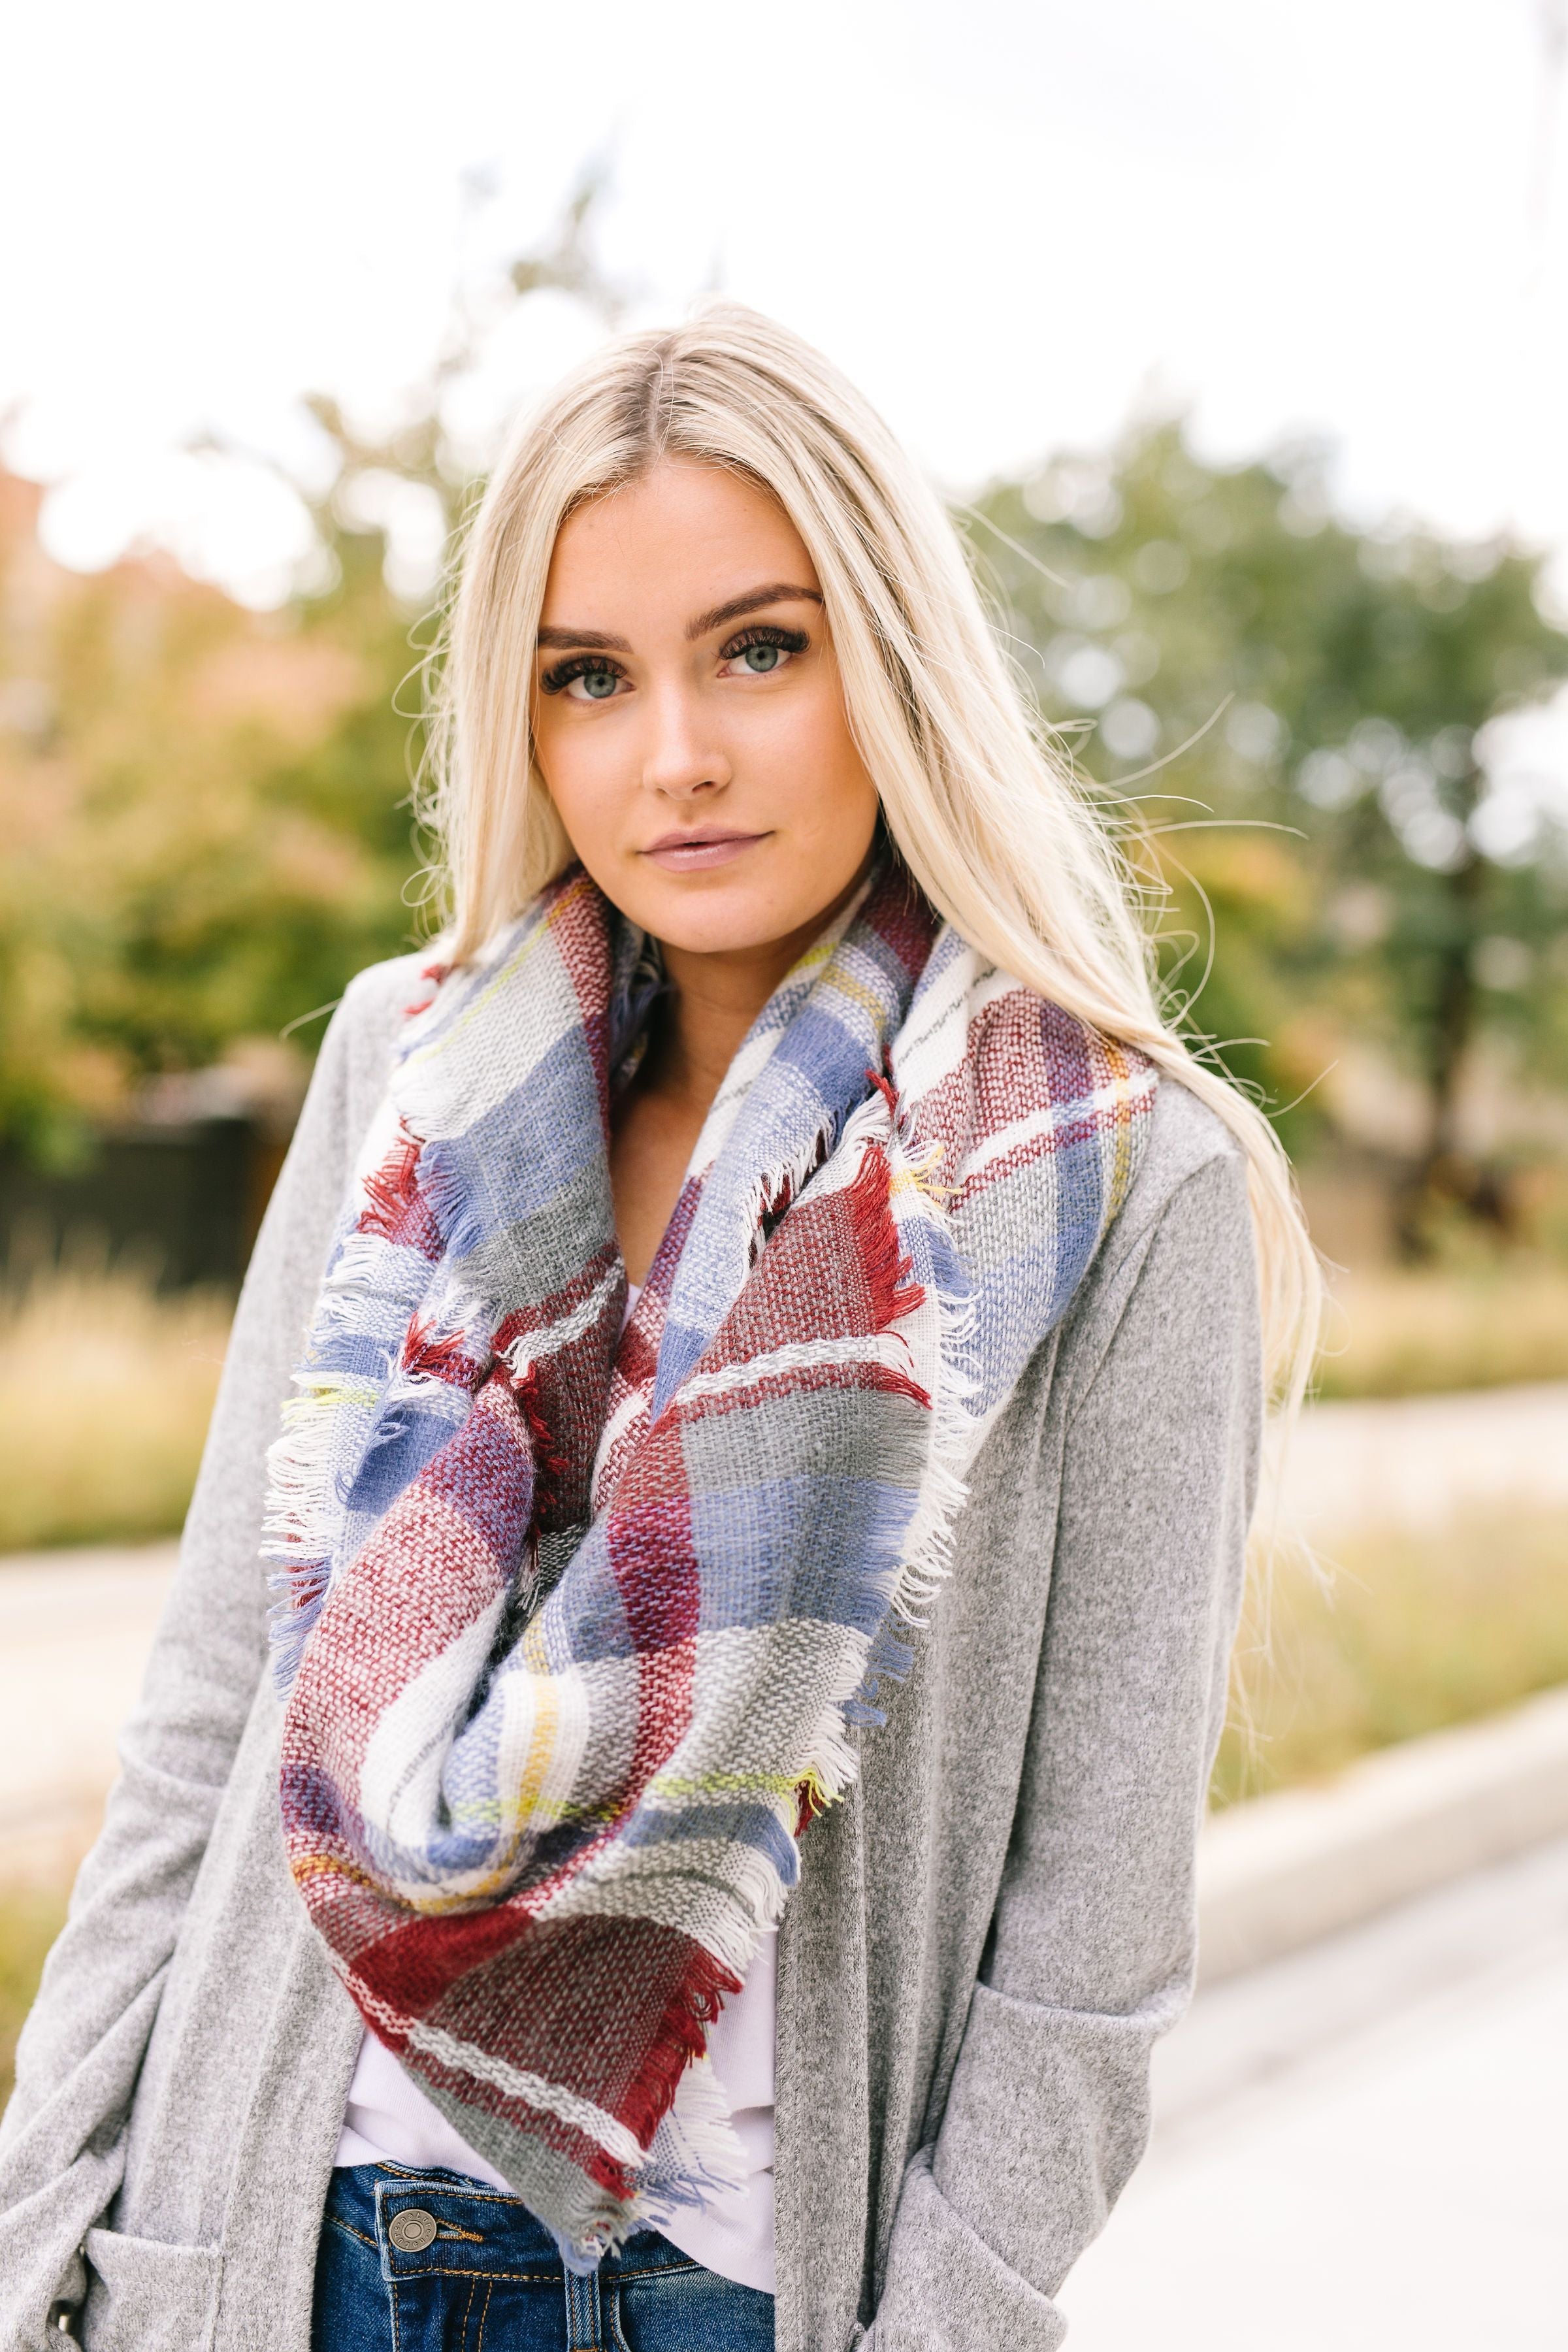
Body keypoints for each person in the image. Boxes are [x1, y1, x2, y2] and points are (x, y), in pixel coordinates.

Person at [0, 305, 1316, 2352]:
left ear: (888, 658)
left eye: (758, 650)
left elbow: (1095, 1937)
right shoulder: (411, 1067)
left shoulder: (1125, 1181)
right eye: (588, 678)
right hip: (286, 2247)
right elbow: (205, 1722)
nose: (672, 752)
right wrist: (38, 2247)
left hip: (740, 2294)